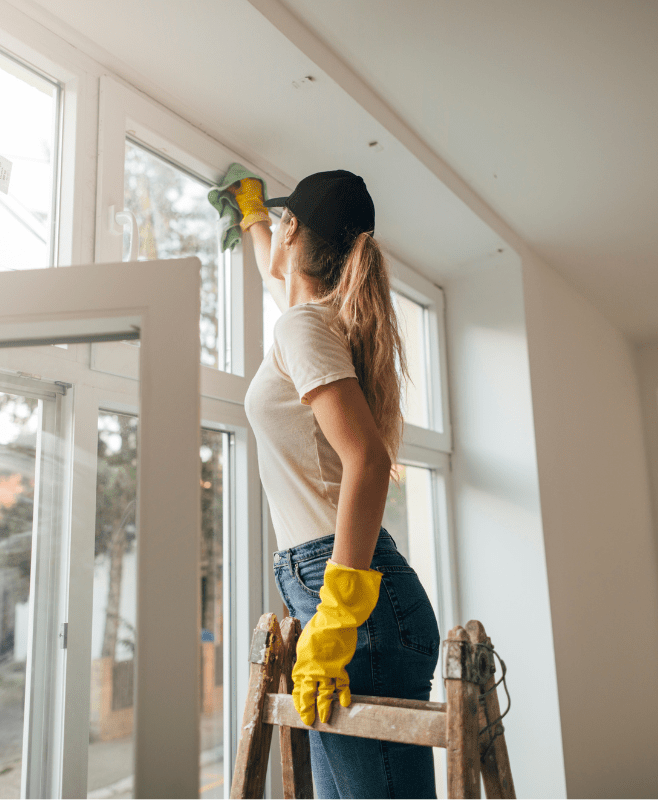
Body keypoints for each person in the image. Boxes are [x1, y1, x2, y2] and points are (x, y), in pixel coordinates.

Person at [234, 171, 440, 798]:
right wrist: (250, 219)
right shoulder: (311, 323)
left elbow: (369, 462)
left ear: (292, 230)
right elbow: (283, 283)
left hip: (352, 602)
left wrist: (338, 617)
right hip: (353, 596)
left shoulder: (304, 329)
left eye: (276, 223)